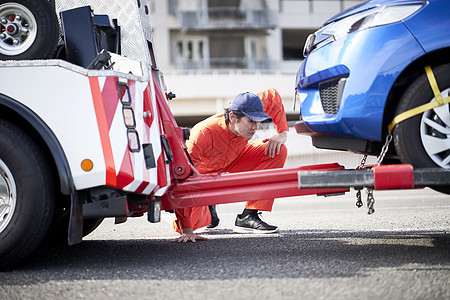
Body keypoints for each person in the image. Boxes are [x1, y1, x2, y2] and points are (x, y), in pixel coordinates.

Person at [172, 88, 289, 243]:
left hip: (236, 160)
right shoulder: (202, 134)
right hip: (206, 177)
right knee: (185, 226)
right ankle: (208, 206)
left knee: (278, 150)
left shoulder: (253, 105)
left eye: (258, 121)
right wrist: (187, 230)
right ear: (233, 117)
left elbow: (273, 96)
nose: (255, 127)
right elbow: (186, 179)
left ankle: (249, 216)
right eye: (251, 121)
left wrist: (282, 133)